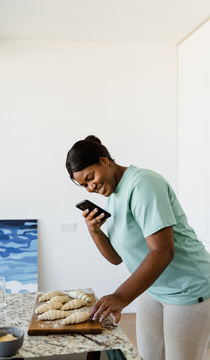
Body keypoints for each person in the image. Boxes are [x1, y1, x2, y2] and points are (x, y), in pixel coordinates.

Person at [65, 135, 210, 360]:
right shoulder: (113, 196)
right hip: (153, 287)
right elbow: (116, 258)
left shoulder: (143, 183)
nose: (91, 187)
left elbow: (163, 251)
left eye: (90, 177)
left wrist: (120, 297)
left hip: (187, 288)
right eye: (84, 185)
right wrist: (95, 232)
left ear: (105, 161)